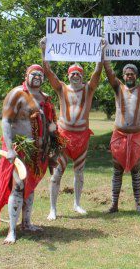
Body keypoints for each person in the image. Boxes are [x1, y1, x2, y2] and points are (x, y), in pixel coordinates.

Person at [0, 64, 56, 243]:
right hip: (20, 150)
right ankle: (12, 231)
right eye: (33, 74)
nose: (37, 77)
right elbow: (6, 121)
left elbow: (49, 123)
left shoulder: (45, 98)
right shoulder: (17, 94)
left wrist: (53, 140)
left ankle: (26, 223)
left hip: (38, 152)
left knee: (30, 186)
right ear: (26, 75)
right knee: (18, 186)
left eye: (40, 75)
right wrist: (10, 149)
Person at [40, 37, 104, 220]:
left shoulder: (88, 89)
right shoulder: (61, 88)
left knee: (79, 172)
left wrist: (101, 51)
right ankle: (53, 209)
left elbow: (98, 72)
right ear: (68, 75)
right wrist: (43, 51)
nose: (75, 76)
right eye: (72, 73)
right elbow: (48, 71)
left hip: (82, 136)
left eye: (78, 73)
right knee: (57, 173)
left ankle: (77, 204)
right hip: (63, 136)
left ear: (82, 76)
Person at [104, 57, 140, 213]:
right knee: (117, 170)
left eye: (132, 74)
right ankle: (114, 204)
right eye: (127, 74)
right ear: (123, 75)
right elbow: (109, 73)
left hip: (136, 136)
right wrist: (104, 54)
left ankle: (137, 203)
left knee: (136, 169)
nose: (129, 76)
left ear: (136, 76)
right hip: (119, 136)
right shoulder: (118, 88)